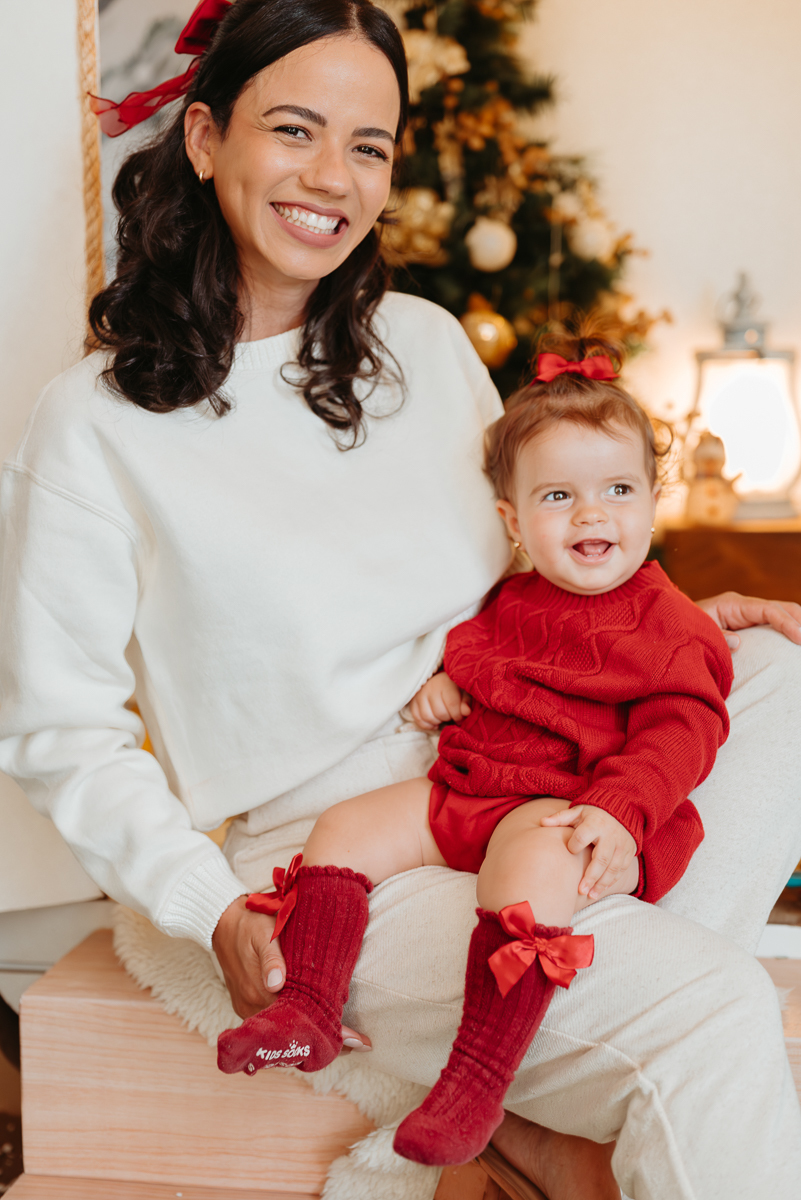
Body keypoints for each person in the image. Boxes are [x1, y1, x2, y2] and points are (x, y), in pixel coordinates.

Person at [0, 2, 799, 1196]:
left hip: (526, 770)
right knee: (714, 1007)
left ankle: (523, 1077)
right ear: (206, 138)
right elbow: (60, 730)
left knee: (778, 673)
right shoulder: (94, 425)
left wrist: (664, 617)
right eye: (295, 129)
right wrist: (210, 909)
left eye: (368, 145)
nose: (333, 176)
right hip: (343, 859)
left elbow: (531, 556)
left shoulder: (422, 345)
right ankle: (568, 1072)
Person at [216, 333, 736, 1171]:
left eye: (617, 490)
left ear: (651, 502)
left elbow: (684, 732)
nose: (591, 514)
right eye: (558, 496)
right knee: (346, 827)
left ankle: (477, 1078)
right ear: (513, 521)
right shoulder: (508, 600)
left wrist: (619, 810)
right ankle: (307, 1007)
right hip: (471, 789)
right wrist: (443, 688)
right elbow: (478, 660)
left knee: (530, 863)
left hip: (570, 809)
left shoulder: (669, 626)